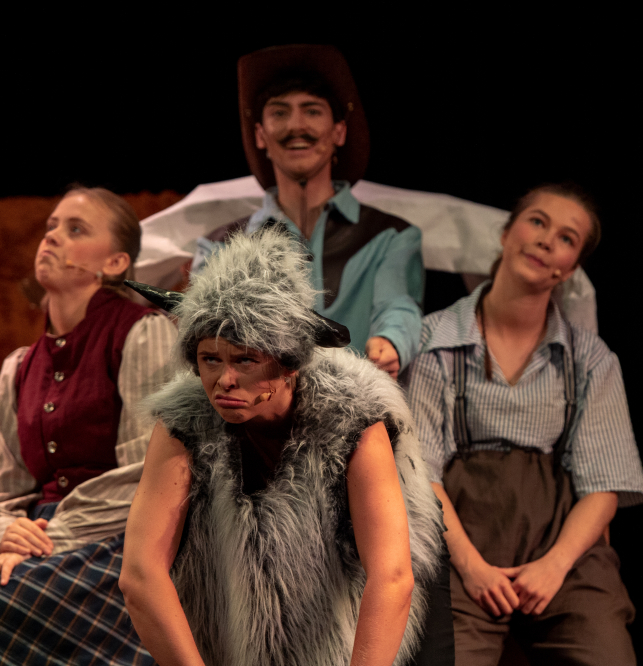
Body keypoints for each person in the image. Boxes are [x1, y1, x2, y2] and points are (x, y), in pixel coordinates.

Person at [120, 227, 446, 666]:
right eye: (210, 359)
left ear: (289, 364)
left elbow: (391, 576)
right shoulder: (185, 418)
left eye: (245, 360)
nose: (224, 380)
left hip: (351, 625)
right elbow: (140, 575)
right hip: (226, 627)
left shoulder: (352, 417)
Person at [0, 187, 177, 665]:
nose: (52, 237)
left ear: (114, 263)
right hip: (38, 542)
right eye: (51, 227)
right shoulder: (19, 367)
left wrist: (46, 540)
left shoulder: (142, 333)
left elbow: (147, 474)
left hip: (119, 545)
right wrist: (5, 531)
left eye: (76, 229)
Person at [407, 183, 643, 666]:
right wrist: (472, 568)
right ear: (506, 232)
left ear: (570, 267)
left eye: (566, 238)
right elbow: (420, 473)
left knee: (604, 653)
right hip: (457, 548)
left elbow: (604, 486)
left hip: (562, 554)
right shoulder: (435, 340)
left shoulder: (589, 359)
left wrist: (553, 567)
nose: (545, 240)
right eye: (537, 221)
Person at [193, 44, 423, 379]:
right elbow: (204, 331)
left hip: (356, 403)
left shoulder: (392, 237)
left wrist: (391, 341)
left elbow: (398, 305)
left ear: (339, 131)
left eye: (312, 111)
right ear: (260, 134)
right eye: (279, 113)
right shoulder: (219, 246)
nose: (296, 126)